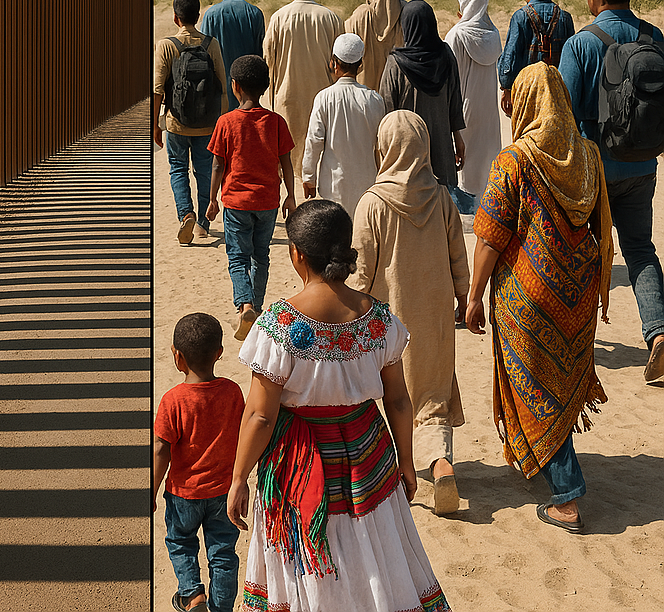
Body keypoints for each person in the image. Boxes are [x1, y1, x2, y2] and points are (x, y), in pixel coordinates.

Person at [227, 200, 450, 612]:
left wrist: (239, 476)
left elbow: (260, 414)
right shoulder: (380, 320)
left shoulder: (278, 324)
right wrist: (405, 461)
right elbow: (398, 400)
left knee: (311, 564)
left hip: (296, 465)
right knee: (373, 549)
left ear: (297, 253)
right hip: (370, 458)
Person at [466, 63, 613, 532]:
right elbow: (601, 227)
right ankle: (546, 458)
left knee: (535, 382)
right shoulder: (588, 155)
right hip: (578, 291)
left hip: (527, 295)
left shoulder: (514, 161)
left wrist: (472, 295)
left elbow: (489, 236)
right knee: (562, 373)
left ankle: (566, 494)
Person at [349, 110, 470, 516]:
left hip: (387, 322)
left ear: (383, 147)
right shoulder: (441, 198)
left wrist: (347, 309)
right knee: (433, 393)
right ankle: (440, 463)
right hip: (435, 316)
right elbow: (458, 254)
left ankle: (395, 469)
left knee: (392, 394)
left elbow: (361, 270)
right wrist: (465, 296)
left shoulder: (372, 203)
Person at [558, 0, 664, 383]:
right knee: (640, 249)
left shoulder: (581, 44)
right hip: (642, 165)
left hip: (593, 169)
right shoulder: (654, 38)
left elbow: (561, 114)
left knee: (581, 252)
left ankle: (576, 344)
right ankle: (658, 333)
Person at [154, 312, 246, 612]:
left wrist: (151, 491)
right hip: (223, 492)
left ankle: (193, 594)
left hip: (184, 494)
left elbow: (160, 450)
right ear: (219, 353)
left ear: (176, 357)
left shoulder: (173, 400)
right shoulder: (233, 392)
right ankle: (221, 609)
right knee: (223, 555)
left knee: (181, 543)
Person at [207, 56, 297, 340]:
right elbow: (286, 163)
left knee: (237, 257)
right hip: (268, 201)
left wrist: (211, 199)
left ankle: (244, 304)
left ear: (235, 87)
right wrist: (291, 196)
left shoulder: (226, 122)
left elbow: (218, 165)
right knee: (261, 255)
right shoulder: (276, 122)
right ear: (265, 86)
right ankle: (255, 307)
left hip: (236, 202)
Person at [154, 0, 229, 245]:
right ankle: (203, 224)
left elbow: (156, 89)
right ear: (198, 16)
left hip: (176, 122)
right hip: (207, 123)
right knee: (205, 169)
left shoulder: (167, 45)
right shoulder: (211, 44)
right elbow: (222, 86)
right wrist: (222, 122)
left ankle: (185, 213)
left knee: (178, 168)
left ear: (175, 18)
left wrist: (155, 124)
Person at [262, 0, 343, 180]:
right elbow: (340, 62)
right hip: (323, 98)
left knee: (288, 156)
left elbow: (268, 58)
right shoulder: (331, 18)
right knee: (320, 154)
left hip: (287, 99)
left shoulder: (279, 18)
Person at [379, 0, 466, 192]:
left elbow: (387, 110)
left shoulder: (396, 64)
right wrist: (457, 137)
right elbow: (455, 101)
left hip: (407, 148)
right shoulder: (446, 56)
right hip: (442, 145)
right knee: (443, 202)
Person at [302, 32, 385, 216]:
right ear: (360, 65)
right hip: (367, 183)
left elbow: (314, 141)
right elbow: (381, 145)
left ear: (334, 63)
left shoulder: (324, 97)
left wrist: (309, 177)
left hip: (333, 184)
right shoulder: (374, 99)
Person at [444, 0, 503, 212]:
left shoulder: (457, 35)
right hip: (488, 109)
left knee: (466, 167)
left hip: (464, 109)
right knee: (486, 166)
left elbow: (450, 78)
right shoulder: (494, 34)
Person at [497, 0, 574, 117]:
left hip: (528, 92)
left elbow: (510, 56)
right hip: (556, 92)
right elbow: (571, 59)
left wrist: (506, 88)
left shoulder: (520, 16)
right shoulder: (565, 17)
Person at [200, 0, 266, 112]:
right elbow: (260, 53)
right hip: (249, 92)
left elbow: (204, 54)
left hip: (219, 91)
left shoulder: (211, 14)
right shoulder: (256, 14)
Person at [344, 0, 404, 91]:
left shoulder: (361, 16)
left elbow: (344, 51)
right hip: (397, 91)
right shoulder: (405, 12)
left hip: (365, 94)